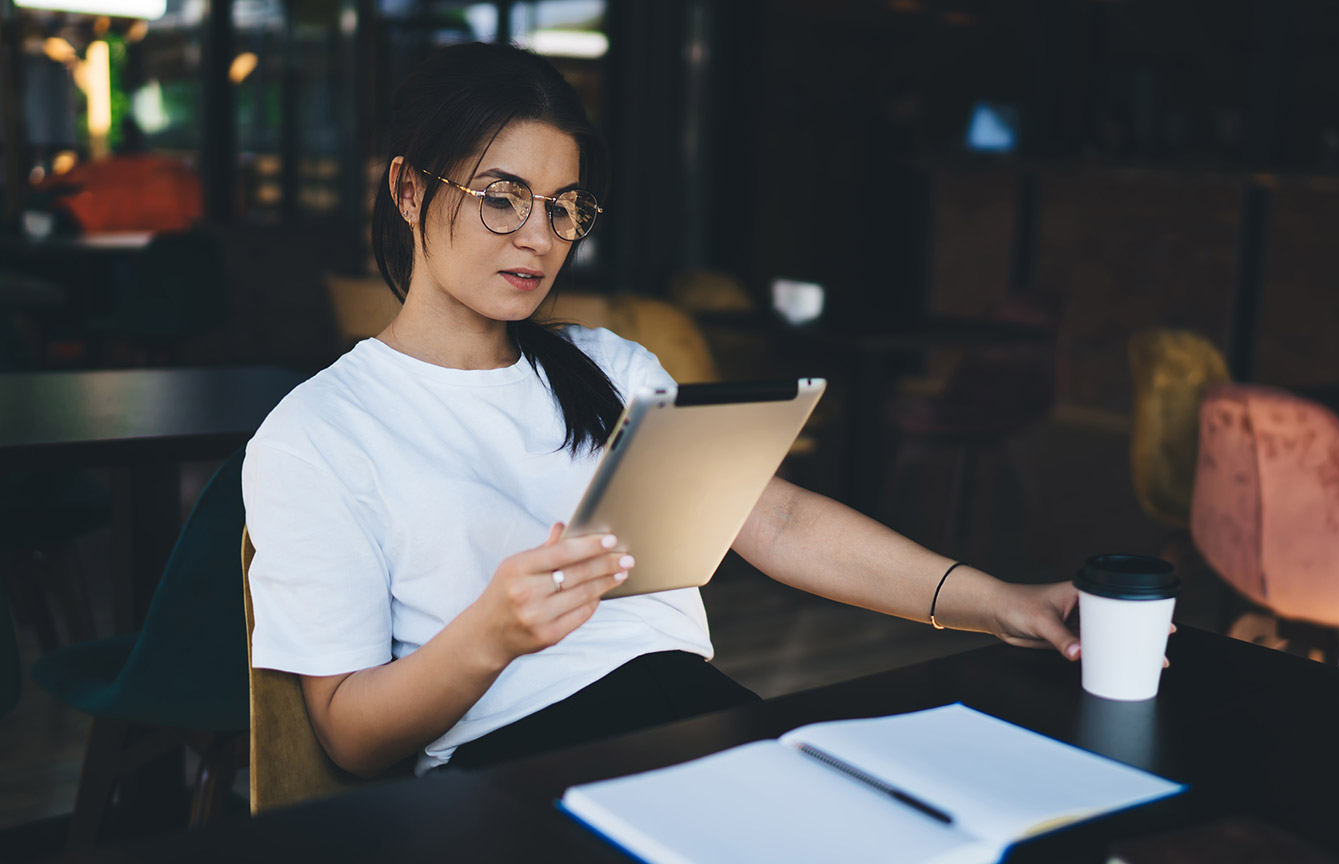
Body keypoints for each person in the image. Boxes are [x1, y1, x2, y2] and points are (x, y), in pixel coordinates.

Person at [243, 41, 1082, 779]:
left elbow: (779, 522)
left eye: (565, 205)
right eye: (503, 195)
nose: (539, 236)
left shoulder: (611, 368)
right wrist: (492, 633)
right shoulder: (321, 432)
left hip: (701, 722)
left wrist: (997, 602)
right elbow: (348, 736)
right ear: (407, 189)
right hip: (510, 769)